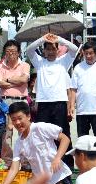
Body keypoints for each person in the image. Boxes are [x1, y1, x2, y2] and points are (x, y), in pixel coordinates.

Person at [0, 101, 75, 184]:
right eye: (13, 119)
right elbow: (14, 168)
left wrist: (57, 158)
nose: (17, 123)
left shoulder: (40, 128)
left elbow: (65, 139)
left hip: (58, 180)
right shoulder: (18, 143)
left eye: (20, 118)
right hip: (39, 182)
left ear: (28, 116)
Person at [26, 33, 77, 166]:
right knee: (42, 134)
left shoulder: (63, 62)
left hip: (59, 102)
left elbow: (74, 49)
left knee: (62, 132)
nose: (51, 52)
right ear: (44, 51)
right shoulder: (39, 63)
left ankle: (67, 163)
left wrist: (58, 39)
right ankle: (45, 162)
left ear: (57, 50)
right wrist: (43, 39)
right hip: (43, 103)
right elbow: (29, 50)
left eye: (53, 49)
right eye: (48, 49)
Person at [70, 41, 96, 159]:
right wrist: (71, 106)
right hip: (82, 110)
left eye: (91, 53)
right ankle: (83, 164)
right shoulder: (78, 67)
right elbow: (73, 89)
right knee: (82, 140)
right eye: (86, 53)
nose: (88, 56)